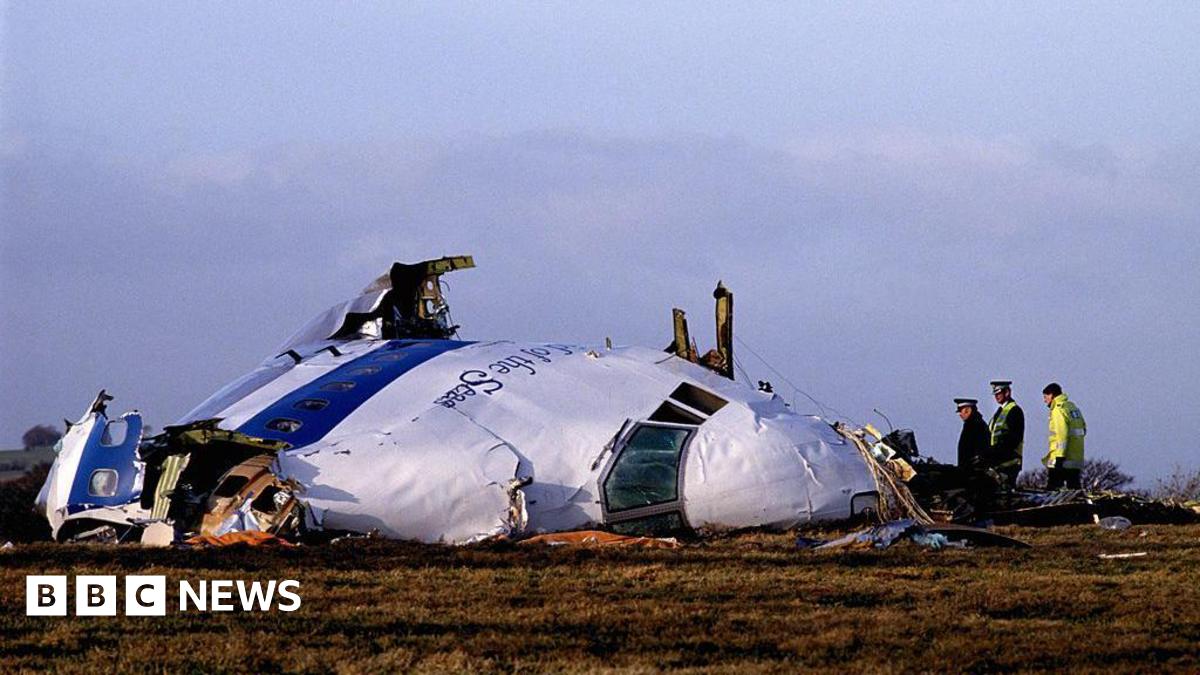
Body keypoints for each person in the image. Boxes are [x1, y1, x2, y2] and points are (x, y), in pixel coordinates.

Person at [1042, 382, 1086, 489]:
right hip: (1076, 458)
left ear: (1051, 395)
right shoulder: (1072, 407)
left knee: (1052, 489)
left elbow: (1061, 434)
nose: (1044, 400)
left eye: (1045, 397)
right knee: (1075, 490)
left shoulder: (1058, 409)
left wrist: (1059, 457)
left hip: (1062, 460)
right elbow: (1084, 428)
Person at [987, 380, 1024, 488]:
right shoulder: (999, 412)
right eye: (995, 394)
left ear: (1007, 392)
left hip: (1009, 461)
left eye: (999, 393)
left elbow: (1013, 438)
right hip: (997, 461)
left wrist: (996, 451)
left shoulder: (1014, 411)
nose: (996, 397)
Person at [954, 398, 990, 471]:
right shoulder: (975, 424)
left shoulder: (974, 425)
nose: (960, 414)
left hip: (974, 471)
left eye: (961, 411)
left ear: (968, 410)